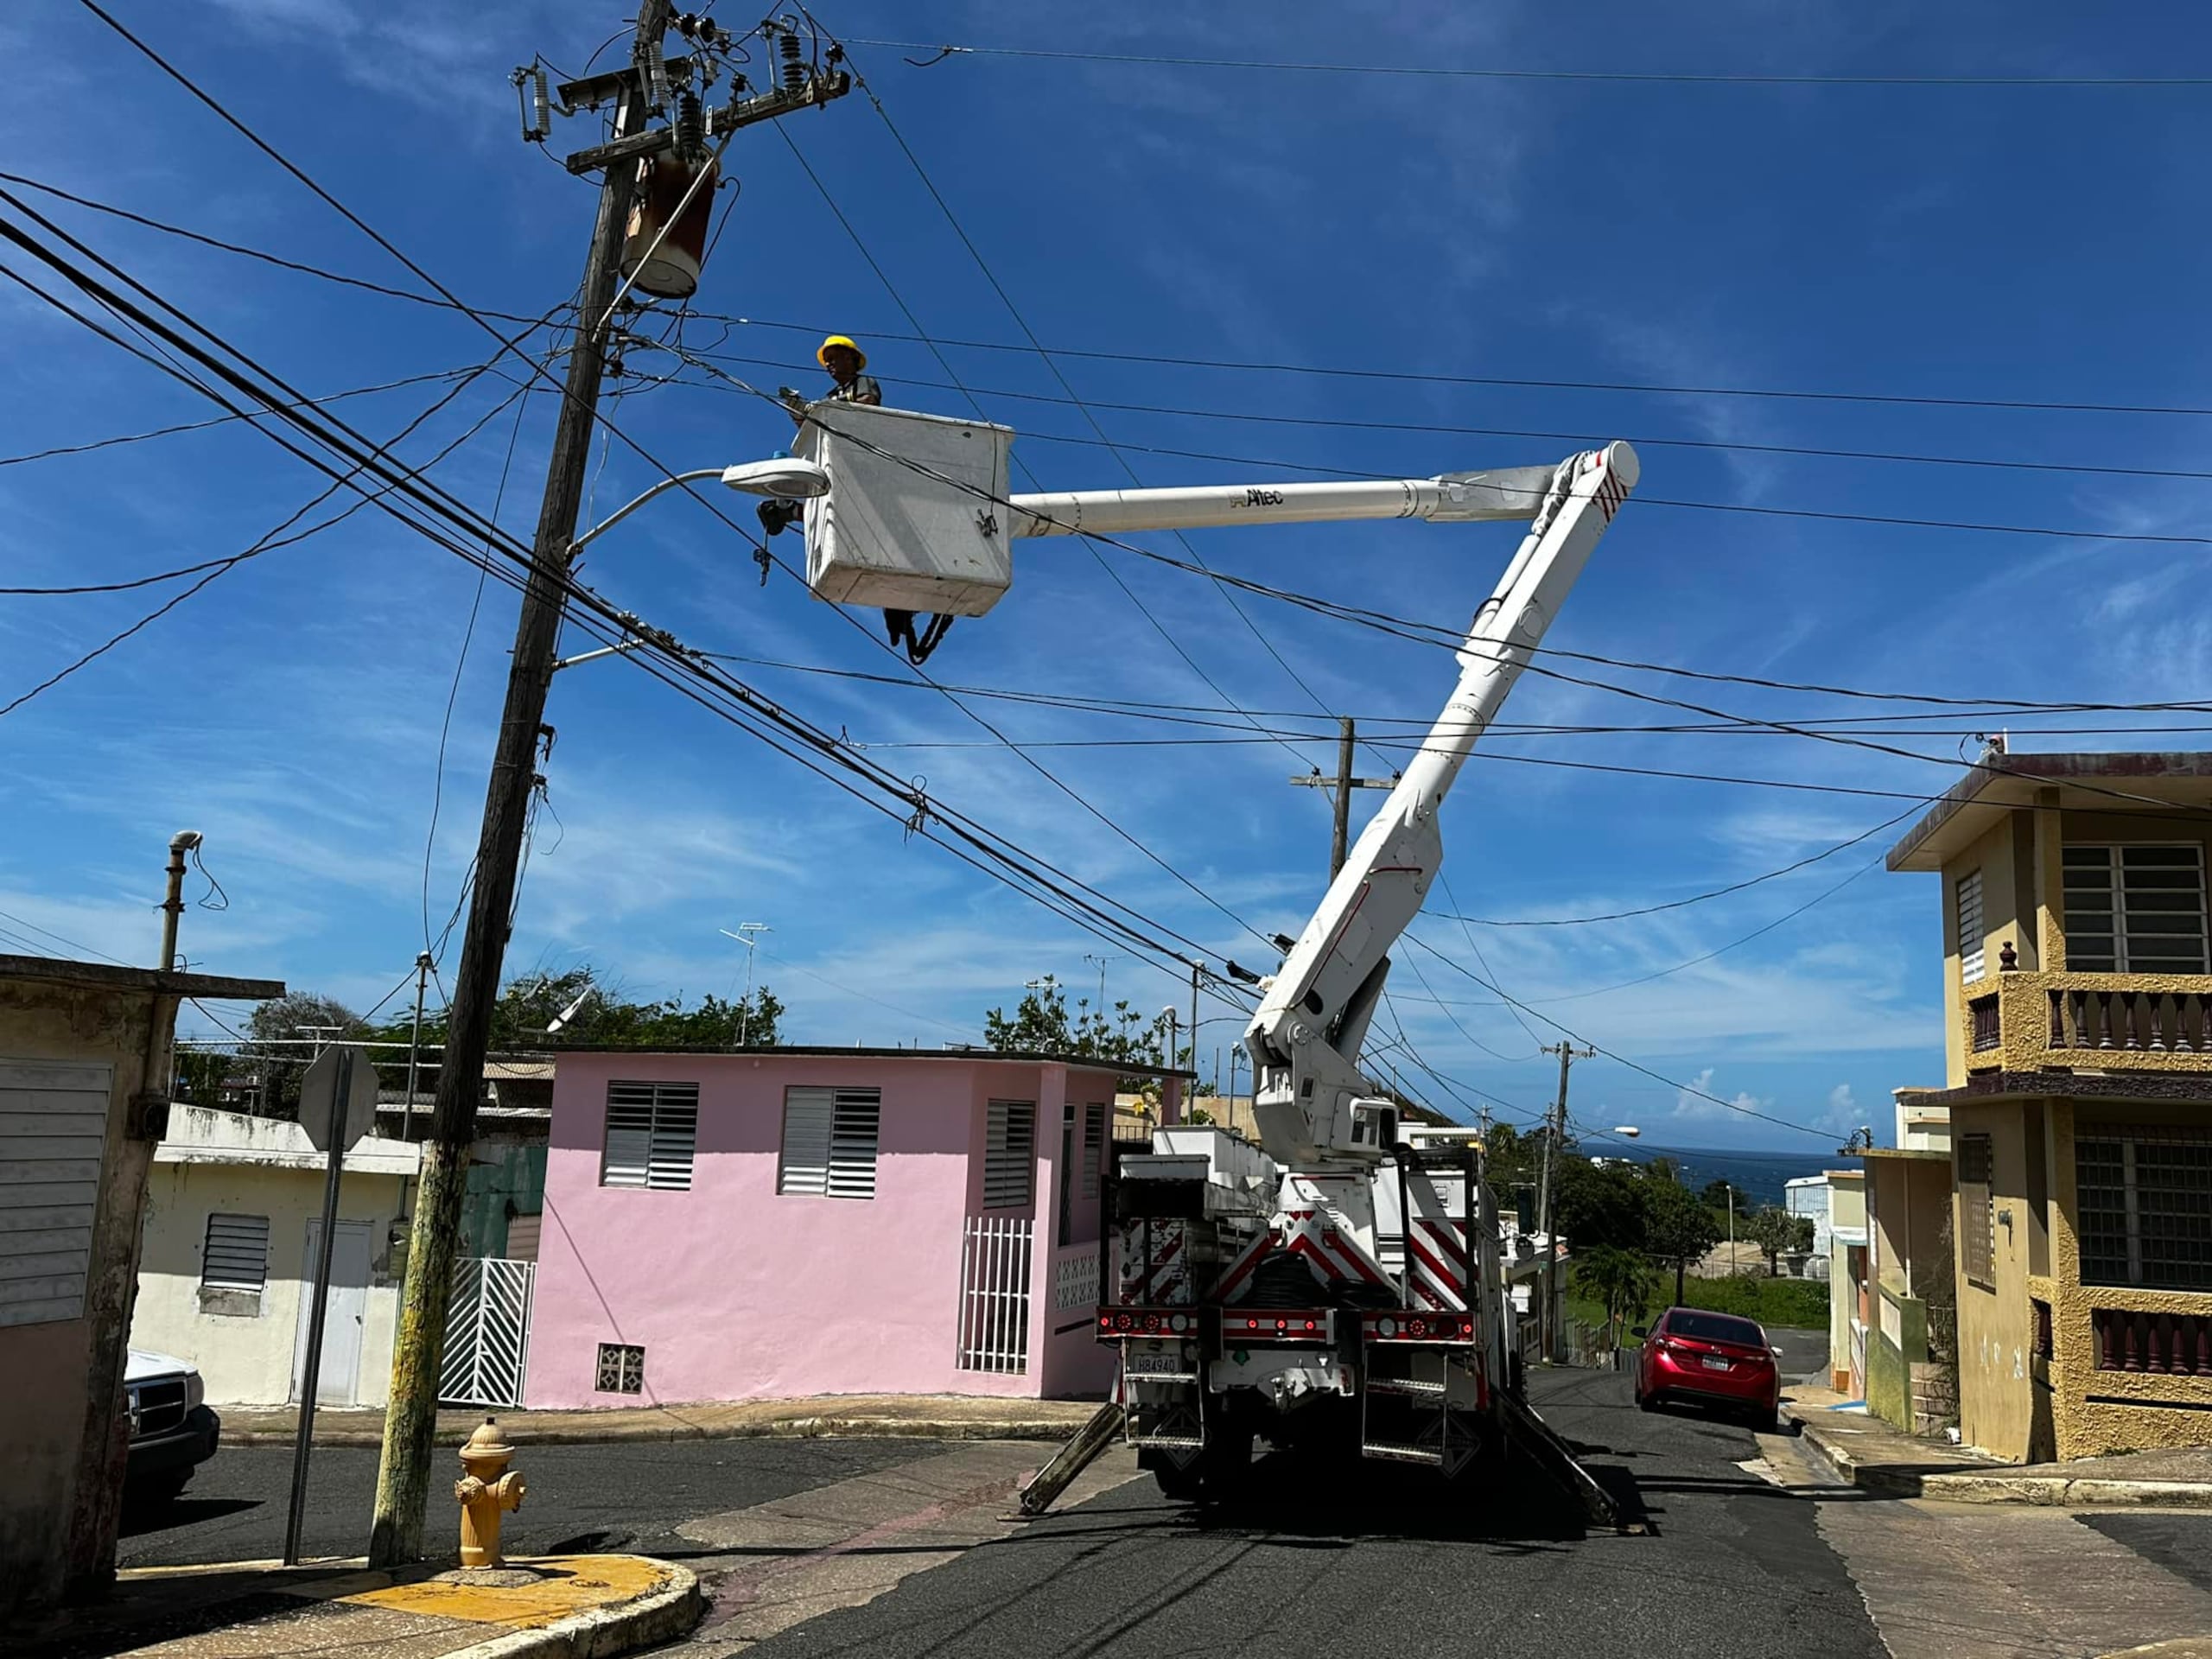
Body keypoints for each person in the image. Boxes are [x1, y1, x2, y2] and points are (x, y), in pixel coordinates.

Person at [758, 334, 880, 537]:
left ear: (849, 358)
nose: (829, 364)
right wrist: (798, 412)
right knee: (831, 499)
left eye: (833, 358)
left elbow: (868, 405)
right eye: (827, 361)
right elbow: (813, 428)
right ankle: (791, 511)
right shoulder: (831, 395)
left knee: (846, 502)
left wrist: (825, 409)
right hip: (836, 453)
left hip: (859, 451)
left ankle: (792, 511)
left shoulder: (863, 382)